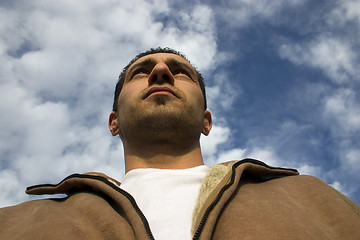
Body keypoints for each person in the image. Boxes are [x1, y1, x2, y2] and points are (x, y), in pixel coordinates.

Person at [0, 47, 359, 240]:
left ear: (207, 121)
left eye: (179, 71)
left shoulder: (315, 200)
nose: (160, 72)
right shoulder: (16, 223)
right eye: (140, 72)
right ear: (114, 122)